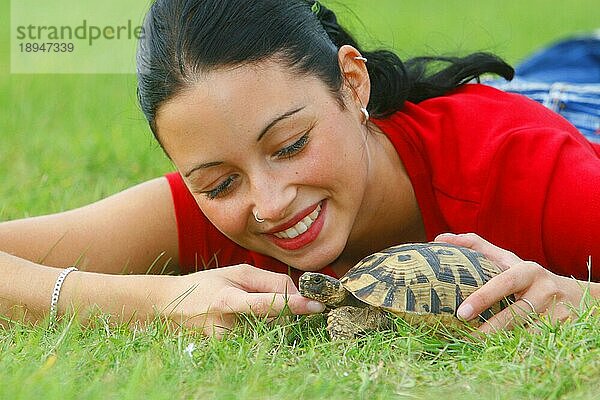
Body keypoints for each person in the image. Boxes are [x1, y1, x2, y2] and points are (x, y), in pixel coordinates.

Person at [1, 0, 599, 337]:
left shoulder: (530, 175)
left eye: (289, 145)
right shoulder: (214, 216)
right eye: (219, 182)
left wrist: (580, 296)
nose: (269, 203)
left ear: (352, 82)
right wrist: (156, 300)